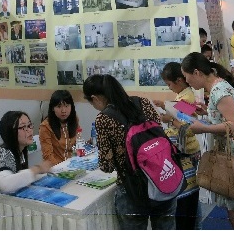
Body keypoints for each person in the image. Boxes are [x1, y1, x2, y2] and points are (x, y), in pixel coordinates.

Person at [180, 52, 234, 230]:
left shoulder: (218, 91)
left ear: (197, 72)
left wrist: (203, 128)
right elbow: (228, 116)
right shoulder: (218, 86)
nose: (187, 81)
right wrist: (207, 112)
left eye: (186, 77)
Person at [83, 74, 177, 229]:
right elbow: (158, 134)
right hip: (162, 178)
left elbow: (107, 166)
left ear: (95, 98)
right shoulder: (143, 102)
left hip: (133, 190)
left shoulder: (104, 118)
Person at [153, 62, 201, 230]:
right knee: (191, 195)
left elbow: (187, 125)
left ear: (179, 80)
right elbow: (180, 112)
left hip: (187, 151)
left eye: (169, 84)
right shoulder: (184, 95)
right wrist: (164, 105)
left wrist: (169, 119)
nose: (169, 88)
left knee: (188, 196)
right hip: (188, 149)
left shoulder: (186, 97)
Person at [39, 90, 79, 165]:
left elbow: (76, 145)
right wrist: (62, 168)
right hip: (56, 167)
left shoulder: (74, 120)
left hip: (73, 164)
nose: (63, 111)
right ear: (52, 108)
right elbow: (48, 156)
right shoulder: (45, 126)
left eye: (67, 106)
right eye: (59, 106)